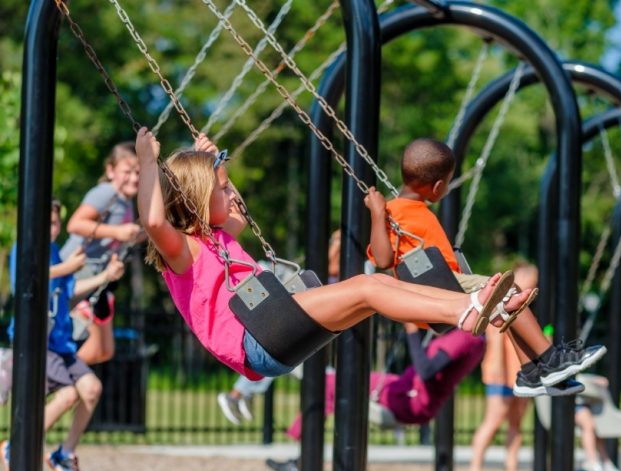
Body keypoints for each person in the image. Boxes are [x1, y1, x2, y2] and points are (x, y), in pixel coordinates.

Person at [135, 128, 537, 384]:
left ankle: (481, 306)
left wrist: (214, 162)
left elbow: (237, 209)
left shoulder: (218, 236)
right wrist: (147, 160)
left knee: (378, 286)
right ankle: (466, 309)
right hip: (255, 336)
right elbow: (154, 221)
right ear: (199, 198)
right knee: (365, 286)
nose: (231, 197)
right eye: (221, 191)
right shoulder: (184, 250)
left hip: (269, 333)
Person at [366, 138, 605, 397]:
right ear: (437, 187)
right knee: (506, 291)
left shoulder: (411, 209)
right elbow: (381, 260)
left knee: (503, 301)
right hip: (436, 289)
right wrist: (378, 214)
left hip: (445, 283)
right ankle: (551, 359)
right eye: (447, 183)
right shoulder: (392, 211)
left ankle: (530, 373)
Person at [3, 199, 125, 471]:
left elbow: (69, 290)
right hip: (36, 341)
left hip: (60, 343)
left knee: (91, 389)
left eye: (56, 223)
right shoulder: (26, 248)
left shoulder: (56, 252)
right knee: (69, 394)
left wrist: (104, 277)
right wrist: (68, 267)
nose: (52, 229)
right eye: (47, 223)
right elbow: (27, 280)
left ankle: (64, 454)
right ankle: (16, 446)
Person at [267, 324, 486, 471]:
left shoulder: (466, 338)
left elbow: (426, 370)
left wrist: (411, 332)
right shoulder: (473, 337)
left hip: (410, 399)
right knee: (338, 381)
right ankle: (328, 460)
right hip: (405, 389)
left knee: (329, 384)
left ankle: (304, 459)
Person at [218, 229, 343, 424]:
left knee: (280, 360)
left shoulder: (341, 274)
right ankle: (237, 395)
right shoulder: (321, 268)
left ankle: (240, 394)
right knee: (277, 356)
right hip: (296, 319)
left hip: (310, 327)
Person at [60, 141, 142, 365]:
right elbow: (75, 224)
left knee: (104, 351)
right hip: (79, 272)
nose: (134, 178)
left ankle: (63, 377)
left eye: (138, 172)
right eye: (127, 172)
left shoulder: (126, 201)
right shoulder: (106, 193)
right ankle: (56, 372)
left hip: (100, 276)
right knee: (91, 346)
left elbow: (123, 237)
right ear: (110, 171)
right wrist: (117, 231)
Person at [467, 261, 538, 471]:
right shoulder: (501, 305)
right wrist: (498, 371)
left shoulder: (524, 310)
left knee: (516, 424)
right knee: (493, 421)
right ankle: (475, 469)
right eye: (529, 279)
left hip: (518, 373)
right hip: (502, 375)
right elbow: (495, 339)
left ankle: (511, 470)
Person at [574, 375, 621, 471]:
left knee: (596, 429)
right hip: (573, 405)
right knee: (589, 425)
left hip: (583, 405)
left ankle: (605, 460)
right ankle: (592, 460)